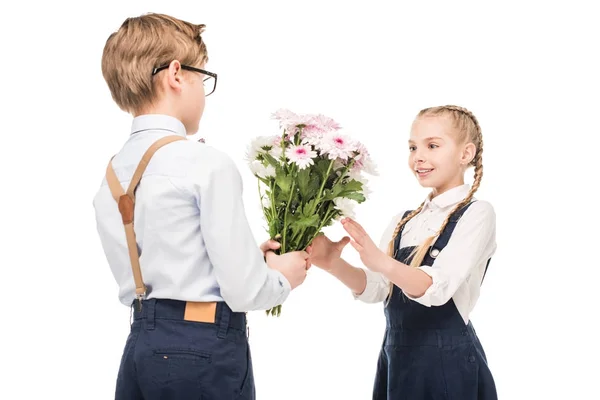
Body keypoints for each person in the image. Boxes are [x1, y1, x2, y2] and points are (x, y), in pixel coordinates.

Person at [93, 13, 309, 399]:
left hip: (141, 344)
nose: (203, 91)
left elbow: (168, 261)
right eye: (201, 78)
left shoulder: (112, 174)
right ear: (177, 73)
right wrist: (281, 278)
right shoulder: (206, 164)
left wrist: (250, 261)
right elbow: (244, 292)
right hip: (203, 347)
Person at [308, 105, 498, 399]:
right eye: (412, 147)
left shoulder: (477, 214)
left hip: (446, 365)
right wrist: (333, 264)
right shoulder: (404, 220)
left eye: (432, 145)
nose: (418, 157)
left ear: (466, 154)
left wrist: (382, 262)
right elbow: (379, 289)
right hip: (397, 359)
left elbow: (436, 288)